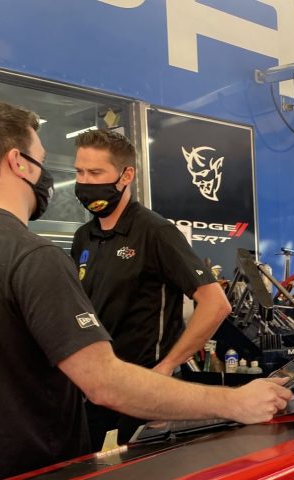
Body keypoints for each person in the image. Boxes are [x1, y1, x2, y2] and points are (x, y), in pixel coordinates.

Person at [0, 96, 291, 480]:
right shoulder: (32, 255)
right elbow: (104, 382)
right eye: (41, 158)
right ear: (18, 162)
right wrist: (235, 402)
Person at [71, 129, 232, 448]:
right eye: (79, 172)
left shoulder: (156, 232)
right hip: (96, 394)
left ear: (125, 175)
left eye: (96, 172)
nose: (85, 181)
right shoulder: (83, 237)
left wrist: (167, 367)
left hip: (146, 397)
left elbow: (216, 304)